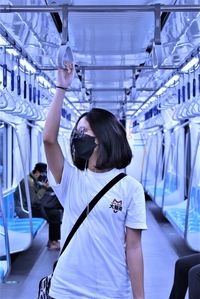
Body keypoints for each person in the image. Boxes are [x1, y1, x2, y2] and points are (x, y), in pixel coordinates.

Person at [43, 62, 147, 299]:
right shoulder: (70, 179)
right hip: (65, 290)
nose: (78, 138)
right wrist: (61, 87)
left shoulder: (130, 188)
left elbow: (133, 248)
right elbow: (49, 140)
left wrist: (140, 297)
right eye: (77, 133)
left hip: (111, 291)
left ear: (104, 137)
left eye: (84, 132)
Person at [14, 162, 62, 250]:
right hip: (26, 209)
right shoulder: (29, 182)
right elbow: (34, 200)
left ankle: (53, 241)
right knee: (54, 214)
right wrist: (44, 188)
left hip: (31, 206)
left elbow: (39, 187)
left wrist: (51, 187)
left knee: (55, 212)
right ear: (38, 173)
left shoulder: (31, 179)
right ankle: (53, 242)